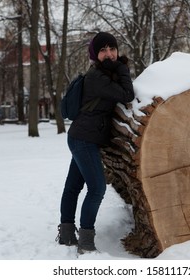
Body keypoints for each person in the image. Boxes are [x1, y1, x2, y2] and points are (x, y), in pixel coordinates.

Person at [56, 32, 135, 254]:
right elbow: (127, 94)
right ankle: (86, 242)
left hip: (82, 137)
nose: (109, 54)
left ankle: (67, 233)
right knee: (97, 188)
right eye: (103, 50)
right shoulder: (97, 78)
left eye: (112, 49)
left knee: (73, 186)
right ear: (95, 54)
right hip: (84, 140)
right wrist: (122, 68)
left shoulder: (103, 75)